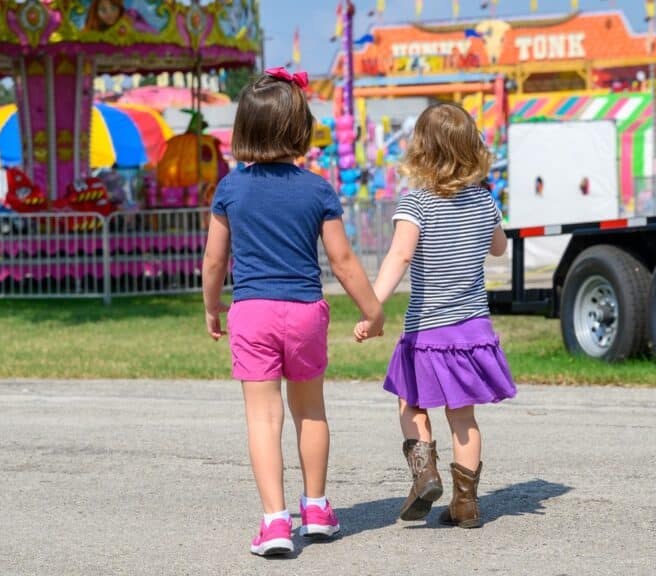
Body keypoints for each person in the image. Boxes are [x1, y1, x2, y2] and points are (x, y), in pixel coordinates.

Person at [202, 67, 384, 556]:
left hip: (253, 311)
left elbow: (216, 259)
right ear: (299, 127)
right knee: (310, 412)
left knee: (263, 419)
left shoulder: (231, 189)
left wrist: (212, 307)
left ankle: (275, 521)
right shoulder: (317, 189)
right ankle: (318, 509)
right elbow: (343, 262)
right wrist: (374, 310)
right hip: (305, 310)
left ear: (246, 128)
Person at [355, 103, 516, 529]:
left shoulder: (417, 204)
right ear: (472, 149)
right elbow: (499, 249)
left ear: (421, 150)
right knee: (464, 418)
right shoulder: (485, 201)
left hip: (428, 330)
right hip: (473, 330)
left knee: (411, 404)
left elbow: (399, 256)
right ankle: (466, 504)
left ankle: (425, 473)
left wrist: (373, 305)